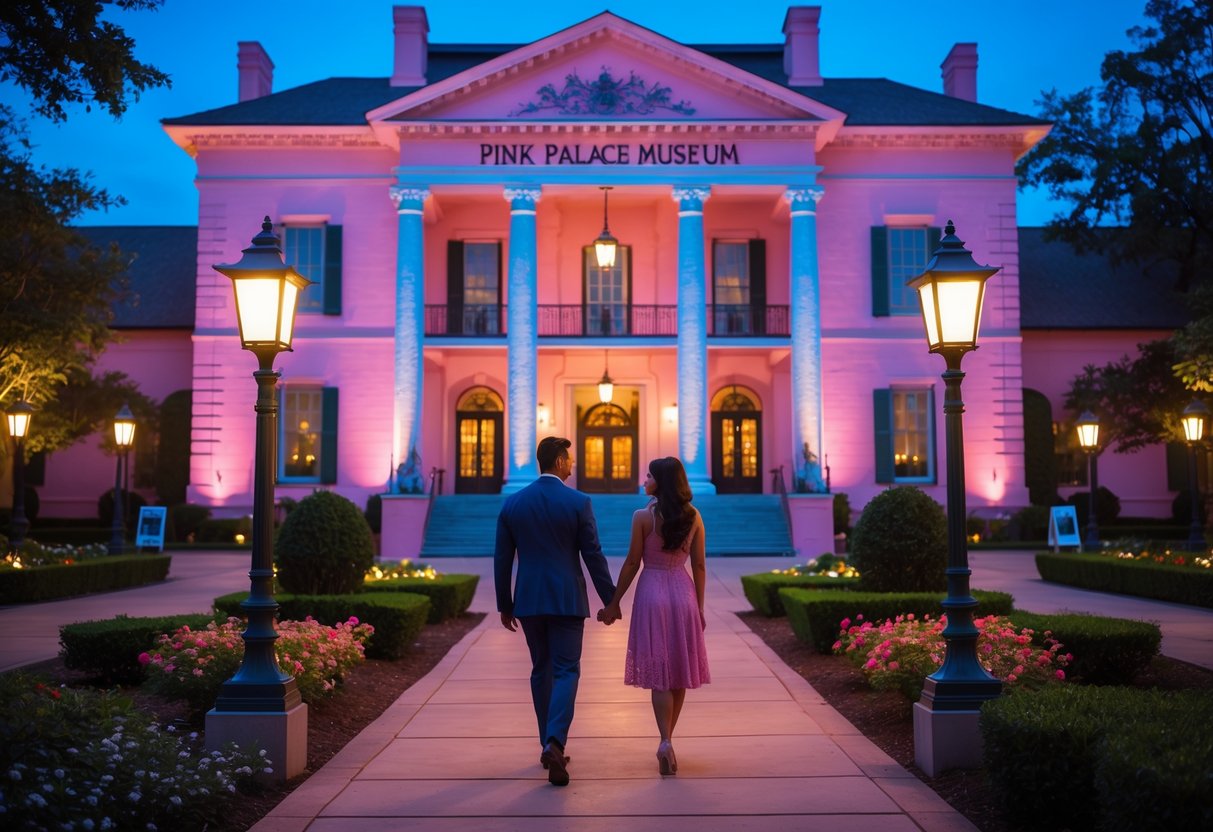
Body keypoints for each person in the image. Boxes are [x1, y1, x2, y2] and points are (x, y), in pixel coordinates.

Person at [494, 436, 616, 787]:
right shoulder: (578, 501)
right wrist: (610, 598)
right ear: (560, 461)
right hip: (565, 598)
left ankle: (547, 743)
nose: (573, 465)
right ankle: (555, 742)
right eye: (571, 460)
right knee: (566, 671)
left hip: (529, 600)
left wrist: (505, 603)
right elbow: (592, 553)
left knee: (541, 670)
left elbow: (503, 559)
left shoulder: (513, 504)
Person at [599, 456, 709, 775]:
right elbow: (699, 565)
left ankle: (665, 741)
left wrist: (614, 602)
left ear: (659, 481)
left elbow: (633, 562)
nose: (644, 479)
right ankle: (668, 741)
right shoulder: (694, 516)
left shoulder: (643, 516)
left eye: (648, 475)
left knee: (659, 671)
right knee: (678, 669)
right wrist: (699, 608)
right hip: (683, 591)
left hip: (652, 592)